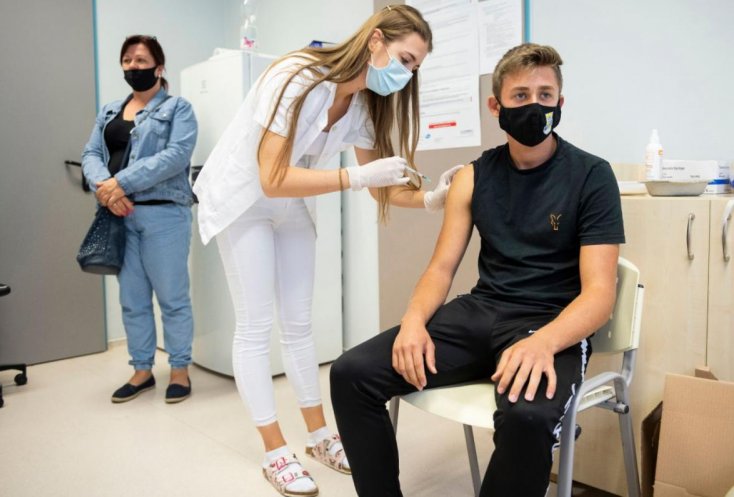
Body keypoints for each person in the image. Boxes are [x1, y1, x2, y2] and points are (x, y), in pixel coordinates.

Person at [330, 42, 626, 497]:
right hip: (480, 312)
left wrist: (544, 343)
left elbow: (599, 294)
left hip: (550, 322)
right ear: (496, 106)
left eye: (545, 96)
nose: (534, 106)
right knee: (351, 374)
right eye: (520, 95)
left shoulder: (592, 176)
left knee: (528, 417)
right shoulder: (473, 176)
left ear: (560, 103)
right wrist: (413, 322)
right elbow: (440, 268)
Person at [193, 5, 461, 497]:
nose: (406, 75)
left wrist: (431, 199)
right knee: (255, 324)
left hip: (291, 202)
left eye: (415, 67)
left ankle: (318, 435)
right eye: (405, 59)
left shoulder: (361, 104)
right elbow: (272, 177)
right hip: (244, 198)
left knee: (299, 323)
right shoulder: (295, 76)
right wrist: (357, 176)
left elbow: (380, 188)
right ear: (375, 40)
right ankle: (275, 450)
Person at [82, 35, 198, 404]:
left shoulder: (178, 108)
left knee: (172, 298)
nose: (133, 66)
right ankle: (142, 370)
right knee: (132, 299)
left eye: (141, 60)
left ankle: (179, 369)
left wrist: (121, 183)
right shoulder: (109, 112)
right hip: (119, 213)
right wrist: (107, 190)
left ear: (159, 68)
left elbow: (176, 156)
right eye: (127, 60)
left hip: (164, 214)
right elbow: (90, 154)